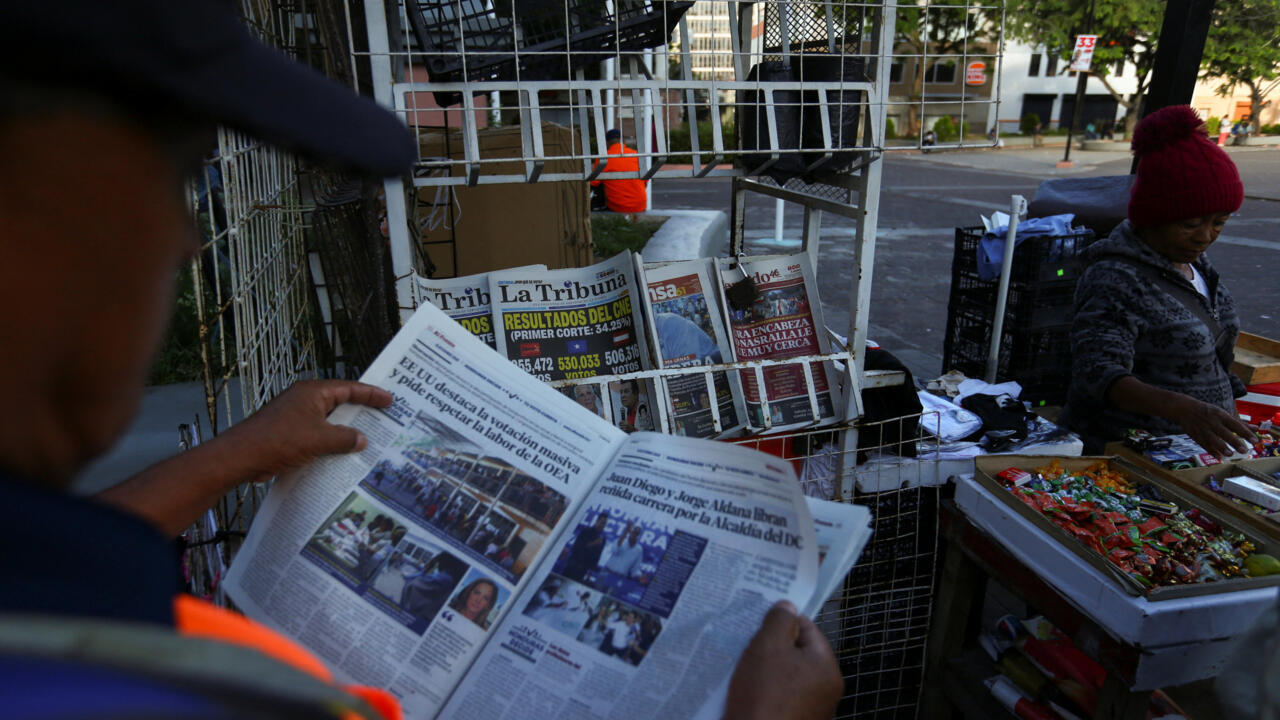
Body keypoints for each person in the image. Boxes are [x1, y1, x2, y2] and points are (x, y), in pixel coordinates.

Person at [0, 2, 841, 718]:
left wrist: (237, 454)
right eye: (175, 172)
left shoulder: (57, 601)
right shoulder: (178, 685)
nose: (185, 242)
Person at [1062, 105, 1257, 459]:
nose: (1205, 236)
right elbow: (1097, 373)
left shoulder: (1199, 267)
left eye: (1219, 222)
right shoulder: (1114, 278)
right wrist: (1182, 408)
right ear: (1153, 216)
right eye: (1190, 223)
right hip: (1132, 456)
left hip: (1198, 455)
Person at [589, 128, 648, 214]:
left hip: (618, 207)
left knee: (599, 181)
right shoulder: (636, 155)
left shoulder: (603, 158)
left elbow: (593, 184)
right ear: (623, 141)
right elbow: (645, 181)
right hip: (640, 206)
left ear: (606, 143)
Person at [562, 512, 609, 582]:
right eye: (602, 522)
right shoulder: (586, 531)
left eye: (605, 523)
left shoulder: (602, 538)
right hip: (574, 564)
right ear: (597, 520)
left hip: (584, 569)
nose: (603, 525)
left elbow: (598, 555)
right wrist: (593, 543)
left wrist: (591, 570)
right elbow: (576, 547)